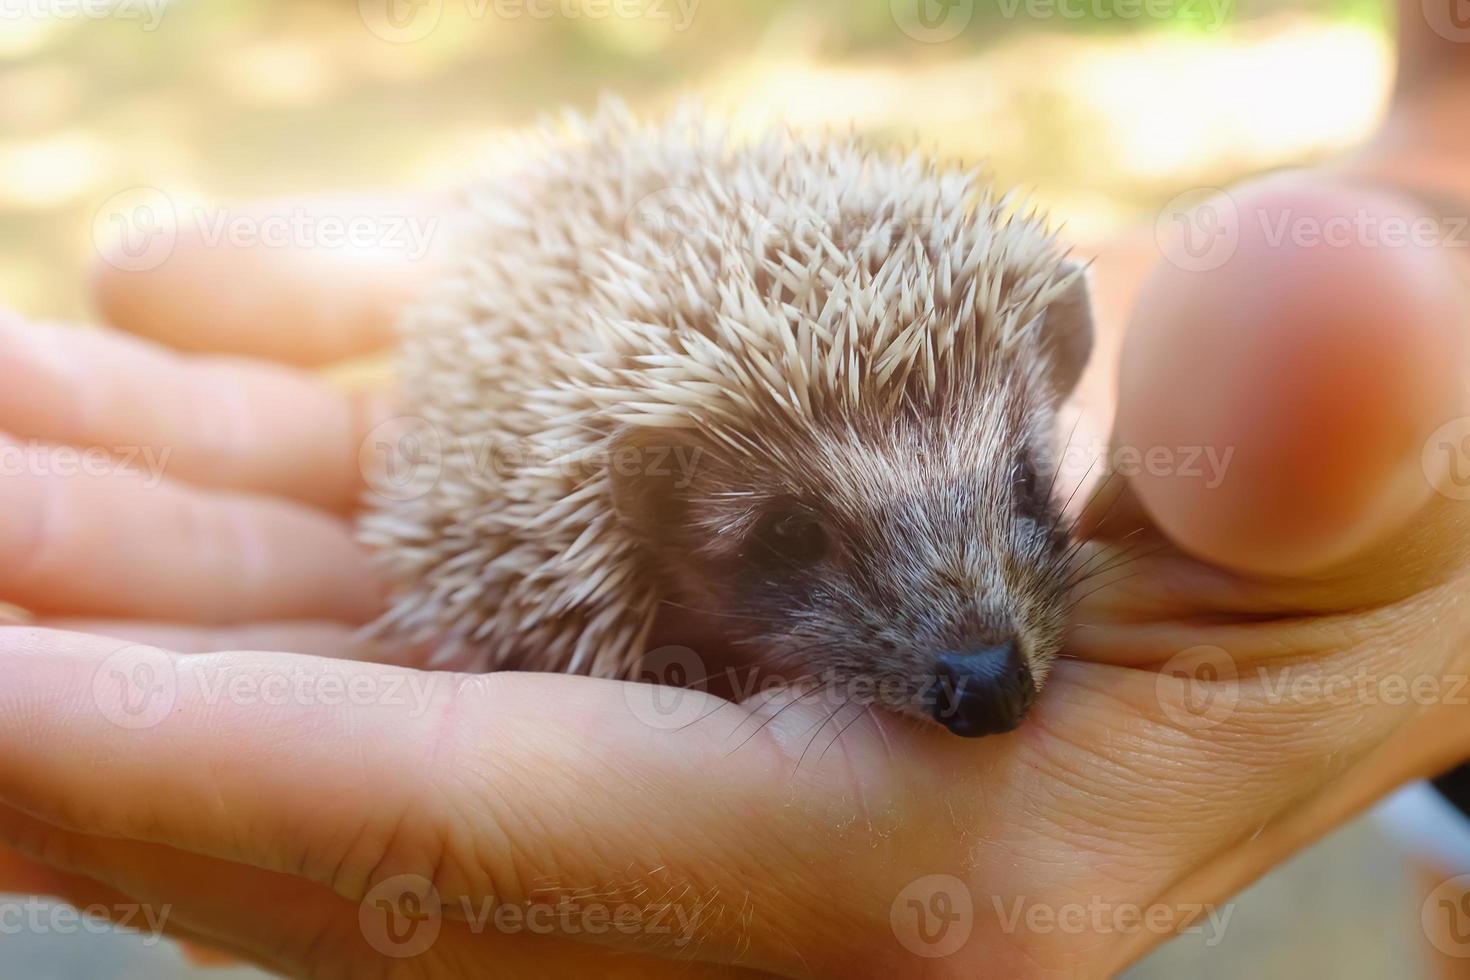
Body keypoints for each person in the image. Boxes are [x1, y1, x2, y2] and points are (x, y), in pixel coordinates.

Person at [1, 3, 1469, 975]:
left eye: (1014, 495)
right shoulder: (579, 539)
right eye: (795, 542)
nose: (976, 650)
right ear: (642, 517)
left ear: (1055, 365)